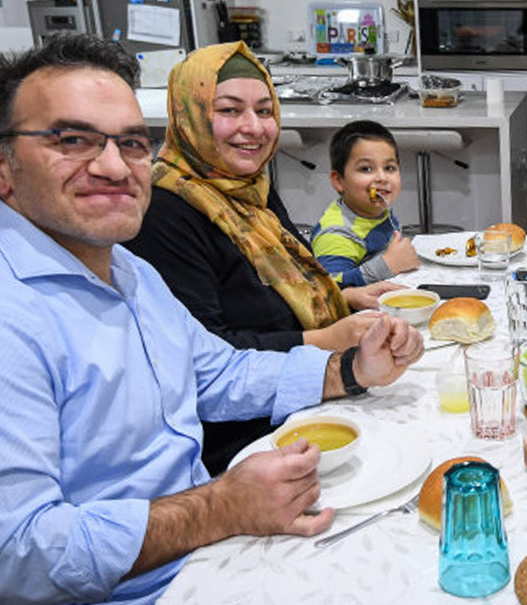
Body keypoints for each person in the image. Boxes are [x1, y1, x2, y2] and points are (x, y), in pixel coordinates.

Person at [0, 33, 423, 605]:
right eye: (72, 139)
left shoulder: (128, 271)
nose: (112, 165)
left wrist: (348, 369)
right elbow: (19, 553)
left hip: (216, 552)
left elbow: (215, 375)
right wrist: (219, 507)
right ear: (5, 166)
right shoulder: (14, 316)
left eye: (130, 143)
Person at [122, 41, 397, 472]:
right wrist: (325, 341)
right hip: (247, 442)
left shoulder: (251, 187)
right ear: (189, 113)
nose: (253, 127)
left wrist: (344, 295)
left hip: (311, 395)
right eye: (229, 110)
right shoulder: (164, 212)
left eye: (265, 111)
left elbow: (287, 285)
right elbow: (208, 361)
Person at [311, 120, 419, 286]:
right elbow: (331, 289)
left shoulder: (375, 210)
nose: (382, 178)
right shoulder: (336, 235)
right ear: (339, 181)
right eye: (366, 169)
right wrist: (388, 265)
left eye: (389, 168)